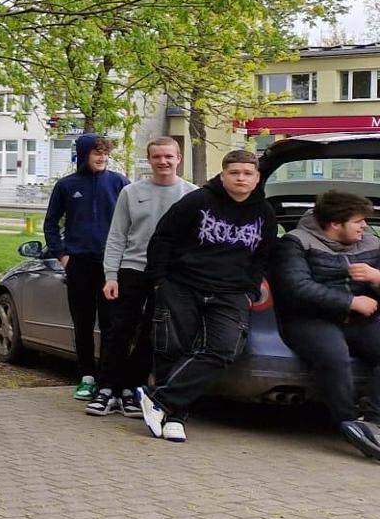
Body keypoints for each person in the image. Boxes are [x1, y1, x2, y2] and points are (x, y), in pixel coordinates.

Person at [135, 151, 276, 443]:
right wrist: (159, 281)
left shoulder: (264, 212)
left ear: (257, 177)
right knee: (172, 348)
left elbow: (263, 257)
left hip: (231, 291)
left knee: (225, 349)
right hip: (182, 284)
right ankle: (175, 417)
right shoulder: (197, 201)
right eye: (234, 172)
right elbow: (163, 238)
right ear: (222, 175)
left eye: (247, 173)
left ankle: (159, 400)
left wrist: (249, 289)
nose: (241, 178)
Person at [88, 137, 197, 418]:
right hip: (132, 270)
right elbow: (117, 236)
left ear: (179, 158)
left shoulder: (192, 195)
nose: (163, 162)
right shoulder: (130, 192)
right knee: (119, 330)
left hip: (170, 276)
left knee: (153, 334)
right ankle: (106, 388)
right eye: (157, 157)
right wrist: (110, 275)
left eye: (169, 157)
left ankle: (131, 389)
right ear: (149, 160)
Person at [268, 190, 380, 461]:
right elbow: (297, 288)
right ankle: (348, 422)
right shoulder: (296, 243)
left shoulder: (370, 243)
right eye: (358, 221)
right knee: (334, 356)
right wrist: (350, 302)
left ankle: (374, 423)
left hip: (361, 320)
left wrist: (377, 278)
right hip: (310, 319)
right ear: (335, 224)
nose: (364, 226)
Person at [43, 134, 129, 401]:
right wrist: (62, 255)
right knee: (82, 321)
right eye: (96, 153)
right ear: (83, 155)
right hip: (78, 263)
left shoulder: (119, 183)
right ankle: (86, 376)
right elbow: (51, 224)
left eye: (105, 153)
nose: (102, 158)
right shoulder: (67, 186)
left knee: (110, 323)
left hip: (111, 264)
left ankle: (107, 378)